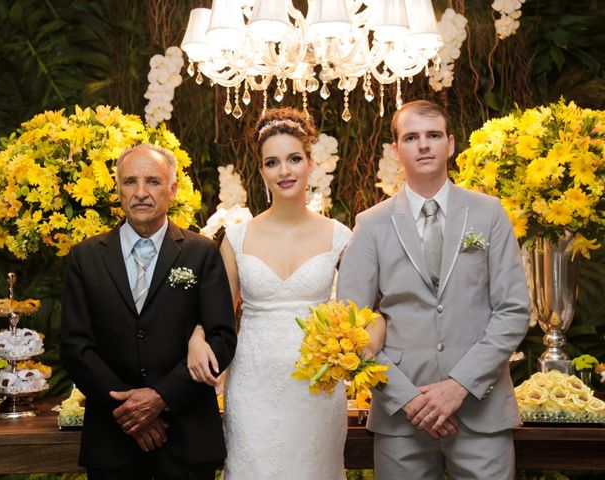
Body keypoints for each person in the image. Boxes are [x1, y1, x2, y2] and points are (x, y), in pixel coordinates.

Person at [337, 100, 530, 479]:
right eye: (411, 137)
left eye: (433, 135)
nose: (423, 145)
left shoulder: (489, 214)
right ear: (396, 151)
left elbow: (513, 310)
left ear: (451, 144)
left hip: (481, 411)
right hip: (401, 419)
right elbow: (348, 328)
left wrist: (460, 386)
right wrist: (406, 398)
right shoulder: (370, 225)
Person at [187, 107, 351, 479]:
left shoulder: (340, 237)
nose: (285, 171)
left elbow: (363, 311)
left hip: (318, 386)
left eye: (294, 159)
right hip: (254, 385)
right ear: (261, 171)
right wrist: (197, 334)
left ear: (311, 163)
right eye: (272, 162)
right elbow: (217, 313)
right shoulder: (238, 238)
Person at [60, 144, 237, 480]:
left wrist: (161, 397)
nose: (141, 193)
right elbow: (75, 346)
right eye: (130, 182)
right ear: (118, 190)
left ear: (172, 190)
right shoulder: (85, 257)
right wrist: (129, 411)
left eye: (153, 182)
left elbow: (222, 338)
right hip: (113, 440)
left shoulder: (201, 253)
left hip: (186, 437)